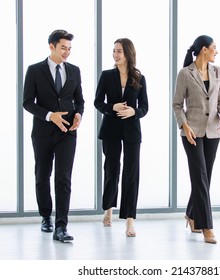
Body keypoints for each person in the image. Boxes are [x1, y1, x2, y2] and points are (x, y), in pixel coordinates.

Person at [23, 29, 85, 242]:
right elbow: (28, 102)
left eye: (69, 48)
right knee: (42, 175)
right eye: (63, 48)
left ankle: (61, 226)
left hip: (67, 132)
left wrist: (79, 114)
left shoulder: (75, 71)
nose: (67, 52)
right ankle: (45, 217)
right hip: (42, 132)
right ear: (51, 47)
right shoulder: (34, 70)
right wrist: (50, 116)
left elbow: (80, 100)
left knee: (63, 178)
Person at [172, 35, 220, 244]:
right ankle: (207, 226)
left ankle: (192, 214)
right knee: (199, 176)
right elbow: (177, 105)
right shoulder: (185, 74)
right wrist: (184, 126)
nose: (217, 51)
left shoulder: (219, 72)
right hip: (192, 132)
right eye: (214, 47)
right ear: (204, 49)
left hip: (213, 131)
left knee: (205, 178)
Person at [94, 38, 148, 237]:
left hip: (132, 130)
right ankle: (108, 208)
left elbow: (144, 107)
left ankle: (130, 221)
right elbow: (98, 102)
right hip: (111, 129)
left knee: (131, 173)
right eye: (114, 51)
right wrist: (112, 108)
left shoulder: (139, 78)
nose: (115, 54)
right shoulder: (107, 76)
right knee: (112, 169)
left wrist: (134, 112)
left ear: (128, 54)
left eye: (119, 51)